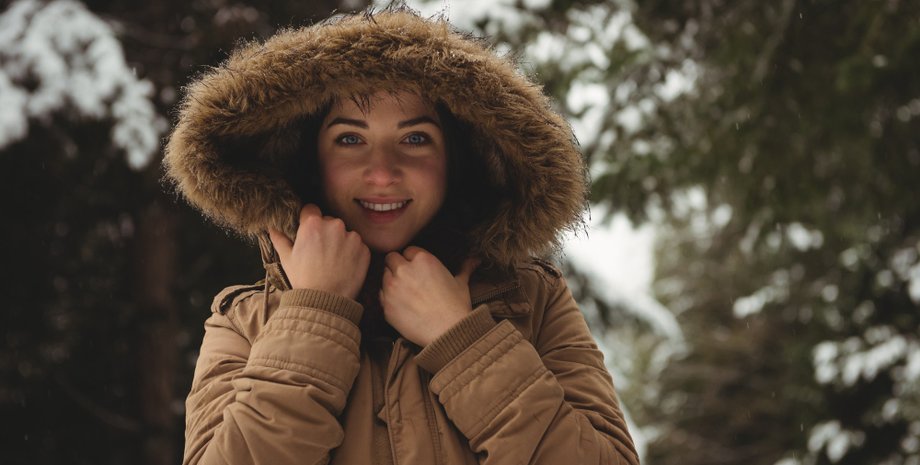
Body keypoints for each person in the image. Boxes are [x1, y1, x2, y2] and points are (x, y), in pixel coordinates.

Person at [164, 5, 639, 465]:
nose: (383, 173)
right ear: (312, 162)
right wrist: (314, 314)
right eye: (350, 138)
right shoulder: (246, 320)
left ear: (456, 161)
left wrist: (462, 341)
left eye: (415, 138)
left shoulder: (533, 302)